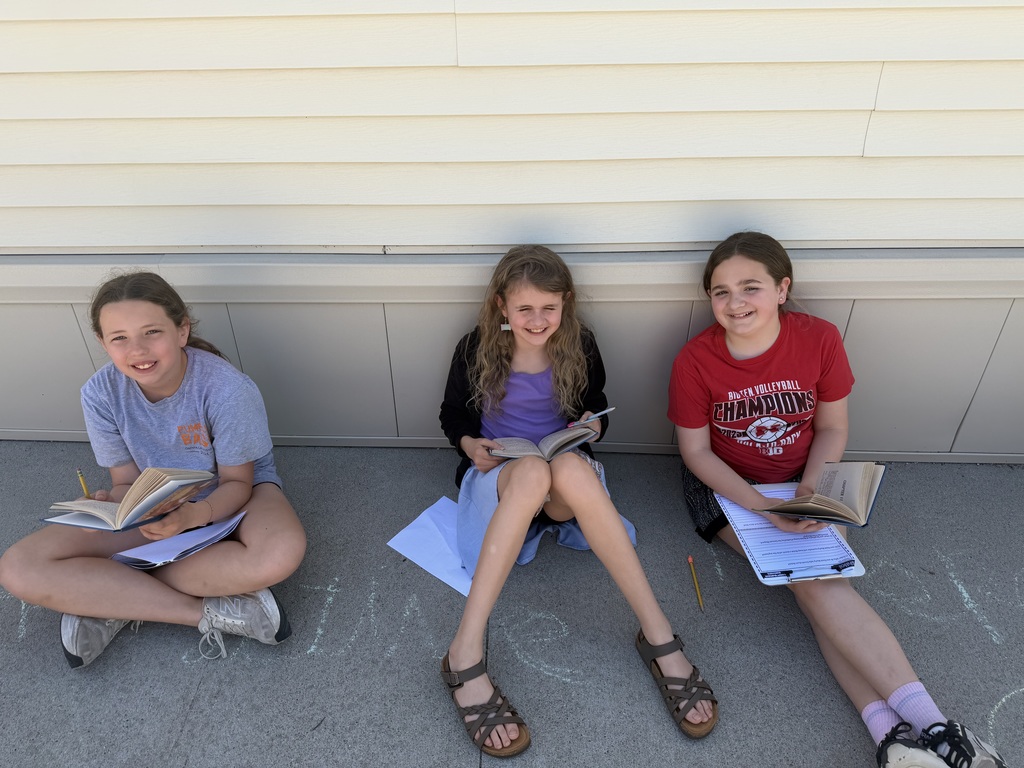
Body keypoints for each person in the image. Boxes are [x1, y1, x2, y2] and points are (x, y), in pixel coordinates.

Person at [668, 231, 1006, 768]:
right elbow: (696, 453)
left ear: (783, 288)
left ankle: (892, 738)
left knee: (820, 583)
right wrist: (765, 508)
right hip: (731, 487)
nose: (735, 303)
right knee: (816, 582)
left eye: (750, 287)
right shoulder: (695, 360)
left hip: (810, 476)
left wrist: (810, 490)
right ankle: (939, 730)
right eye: (720, 291)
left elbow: (832, 426)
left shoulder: (819, 339)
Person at [439, 245, 717, 757]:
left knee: (565, 467)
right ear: (501, 305)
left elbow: (595, 405)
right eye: (524, 309)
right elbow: (452, 413)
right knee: (530, 475)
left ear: (566, 303)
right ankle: (464, 651)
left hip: (562, 480)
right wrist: (470, 446)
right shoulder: (475, 348)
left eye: (549, 307)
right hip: (503, 476)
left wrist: (593, 426)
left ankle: (657, 635)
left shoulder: (578, 344)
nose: (537, 320)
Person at [0, 272, 307, 668]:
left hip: (231, 496)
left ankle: (102, 596)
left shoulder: (227, 389)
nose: (137, 350)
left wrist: (194, 516)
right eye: (119, 338)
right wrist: (111, 504)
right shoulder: (99, 393)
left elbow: (237, 482)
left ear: (182, 331)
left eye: (151, 332)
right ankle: (203, 614)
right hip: (157, 506)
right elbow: (126, 481)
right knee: (18, 568)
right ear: (102, 343)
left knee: (279, 553)